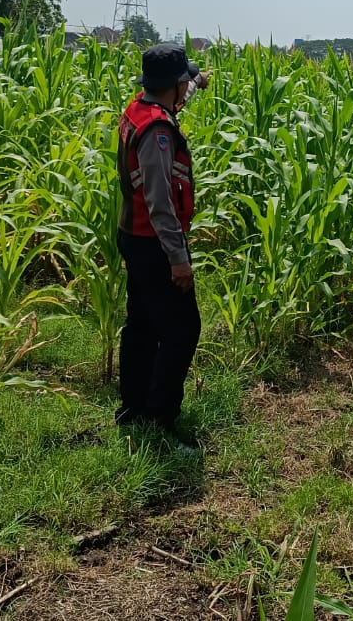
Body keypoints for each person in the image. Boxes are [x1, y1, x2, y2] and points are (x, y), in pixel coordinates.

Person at [114, 42, 211, 448]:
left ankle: (133, 407)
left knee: (141, 323)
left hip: (133, 237)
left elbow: (173, 102)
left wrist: (196, 83)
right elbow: (160, 202)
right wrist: (178, 260)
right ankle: (161, 420)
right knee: (182, 330)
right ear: (172, 84)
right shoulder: (158, 132)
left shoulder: (140, 110)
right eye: (183, 82)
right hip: (155, 241)